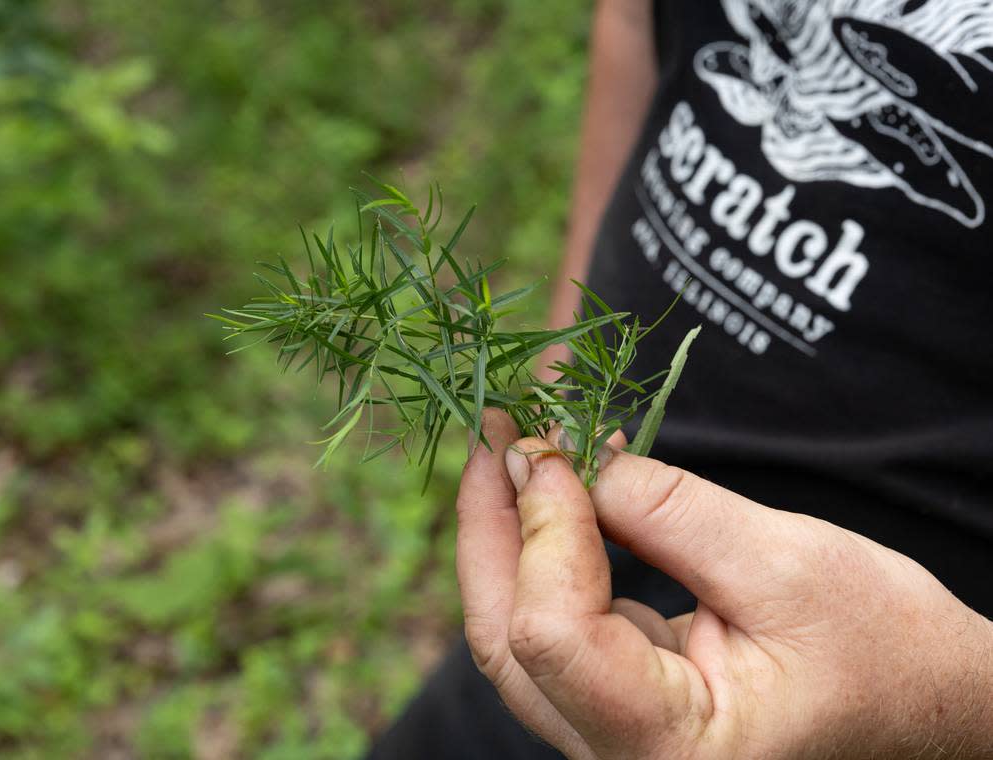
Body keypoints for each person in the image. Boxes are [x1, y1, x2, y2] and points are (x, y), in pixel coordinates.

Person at [368, 1, 993, 757]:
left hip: (889, 651)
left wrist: (957, 698)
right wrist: (565, 341)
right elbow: (637, 21)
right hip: (587, 553)